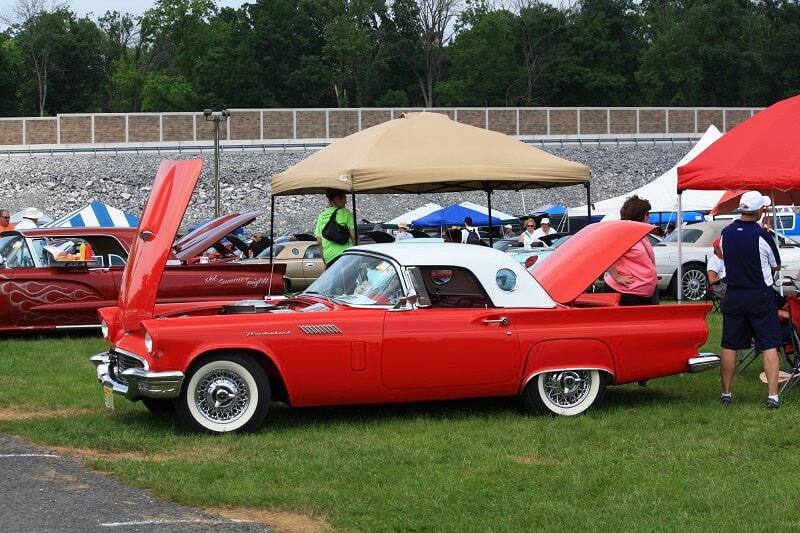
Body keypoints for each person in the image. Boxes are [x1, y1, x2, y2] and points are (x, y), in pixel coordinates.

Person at [719, 191, 782, 409]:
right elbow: (776, 264)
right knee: (769, 344)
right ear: (758, 211)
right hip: (758, 294)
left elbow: (725, 255)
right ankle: (773, 395)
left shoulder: (727, 232)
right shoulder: (761, 235)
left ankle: (726, 392)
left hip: (734, 293)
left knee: (730, 344)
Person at [604, 195, 658, 306]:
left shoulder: (639, 234)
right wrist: (617, 277)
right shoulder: (623, 234)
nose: (649, 217)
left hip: (640, 293)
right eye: (648, 213)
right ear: (640, 215)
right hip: (627, 293)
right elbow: (606, 255)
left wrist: (650, 276)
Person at [314, 189, 356, 267]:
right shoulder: (346, 213)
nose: (346, 202)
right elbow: (354, 237)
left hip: (329, 258)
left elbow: (319, 242)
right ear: (337, 199)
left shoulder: (321, 216)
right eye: (344, 198)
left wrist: (325, 262)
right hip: (346, 255)